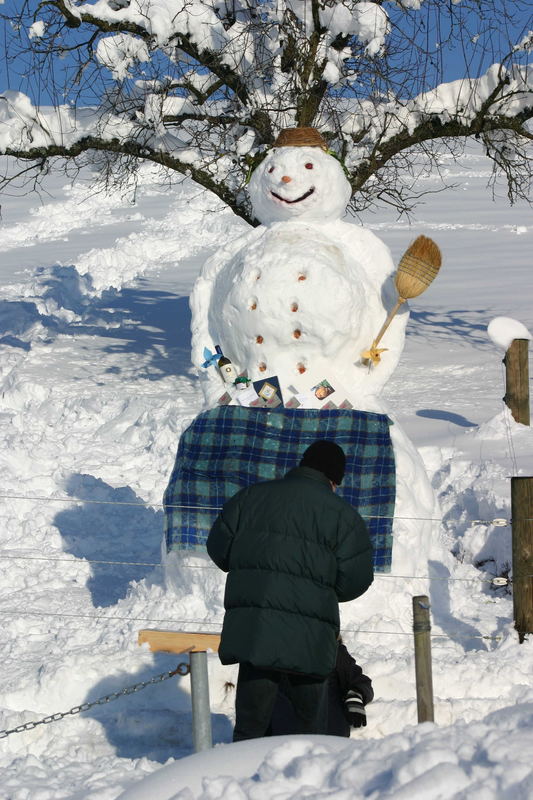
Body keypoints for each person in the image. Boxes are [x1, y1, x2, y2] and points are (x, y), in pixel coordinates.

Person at [206, 439, 374, 741]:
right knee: (308, 733)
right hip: (310, 640)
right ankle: (299, 785)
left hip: (255, 631)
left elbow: (220, 550)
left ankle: (241, 781)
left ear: (303, 465)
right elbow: (355, 581)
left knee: (250, 727)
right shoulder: (344, 517)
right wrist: (322, 587)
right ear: (335, 480)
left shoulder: (250, 498)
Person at [269, 638, 374, 737]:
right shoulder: (272, 652)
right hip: (282, 739)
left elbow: (359, 681)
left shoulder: (332, 651)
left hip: (329, 736)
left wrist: (355, 695)